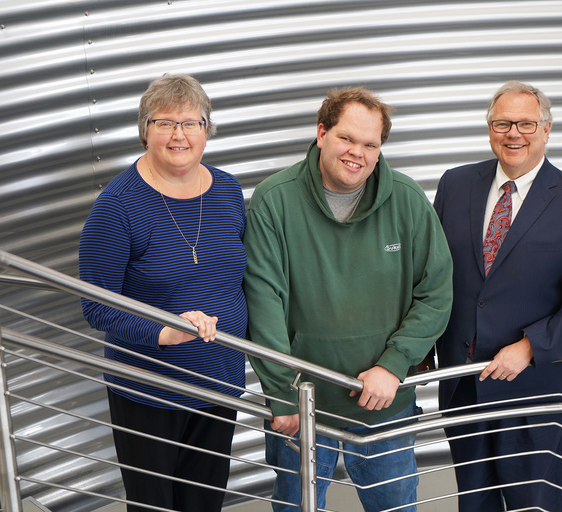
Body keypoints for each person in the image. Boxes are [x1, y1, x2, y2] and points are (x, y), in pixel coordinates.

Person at [243, 86, 453, 511]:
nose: (357, 152)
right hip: (302, 409)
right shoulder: (274, 202)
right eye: (346, 138)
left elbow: (436, 293)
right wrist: (282, 396)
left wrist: (394, 365)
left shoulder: (408, 202)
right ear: (321, 133)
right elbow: (264, 301)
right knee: (295, 507)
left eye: (370, 144)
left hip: (384, 408)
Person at [433, 81, 562, 512]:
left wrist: (530, 347)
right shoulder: (455, 185)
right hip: (463, 384)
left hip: (531, 389)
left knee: (533, 505)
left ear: (546, 129)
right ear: (490, 129)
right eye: (502, 123)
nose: (514, 134)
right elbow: (432, 273)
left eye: (526, 123)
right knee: (474, 504)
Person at [79, 73, 247, 512]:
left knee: (205, 502)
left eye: (191, 123)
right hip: (149, 392)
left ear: (206, 130)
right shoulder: (118, 205)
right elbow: (95, 305)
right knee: (155, 505)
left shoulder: (228, 191)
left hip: (219, 384)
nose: (179, 135)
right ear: (145, 130)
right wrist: (164, 332)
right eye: (165, 123)